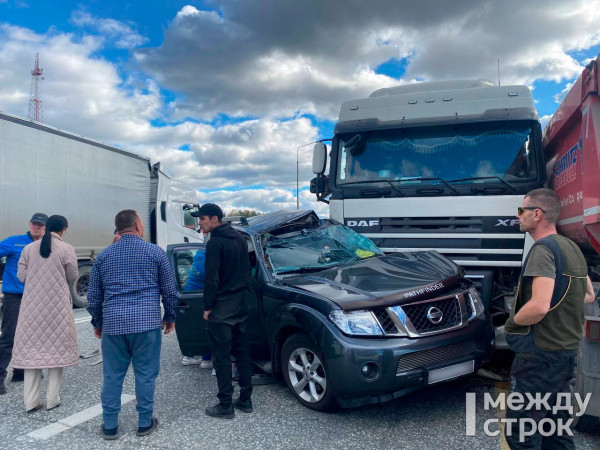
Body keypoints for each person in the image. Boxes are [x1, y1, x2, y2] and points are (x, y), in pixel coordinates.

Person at [504, 188, 595, 449]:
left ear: (537, 214)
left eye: (521, 210)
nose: (517, 216)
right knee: (556, 430)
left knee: (522, 432)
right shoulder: (571, 247)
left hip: (539, 358)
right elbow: (588, 294)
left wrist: (511, 323)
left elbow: (539, 306)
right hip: (565, 355)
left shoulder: (543, 250)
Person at [87, 210, 176, 440]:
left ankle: (109, 426)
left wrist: (98, 322)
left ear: (118, 228)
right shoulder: (155, 252)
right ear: (137, 225)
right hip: (146, 324)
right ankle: (144, 423)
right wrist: (170, 317)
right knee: (145, 375)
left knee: (112, 376)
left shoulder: (104, 257)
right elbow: (169, 290)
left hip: (114, 325)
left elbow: (94, 297)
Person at [11, 215, 79, 412]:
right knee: (56, 352)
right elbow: (73, 275)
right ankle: (52, 399)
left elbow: (21, 277)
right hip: (57, 308)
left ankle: (31, 402)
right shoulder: (67, 249)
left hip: (31, 308)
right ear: (64, 230)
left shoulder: (28, 249)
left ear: (46, 227)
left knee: (32, 353)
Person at [191, 203, 252, 419]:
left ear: (215, 219)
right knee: (243, 352)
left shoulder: (215, 242)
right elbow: (246, 270)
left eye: (203, 219)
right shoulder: (239, 238)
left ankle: (225, 405)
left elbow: (212, 278)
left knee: (222, 356)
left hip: (223, 305)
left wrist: (207, 307)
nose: (200, 223)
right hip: (242, 303)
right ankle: (246, 399)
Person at [0, 212, 47, 395]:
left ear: (46, 228)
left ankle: (20, 371)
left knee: (31, 336)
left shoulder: (46, 245)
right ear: (29, 224)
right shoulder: (14, 241)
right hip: (15, 296)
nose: (37, 227)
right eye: (35, 224)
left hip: (36, 297)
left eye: (41, 225)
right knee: (9, 337)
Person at [181, 249, 212, 369]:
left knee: (192, 326)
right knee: (205, 327)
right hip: (200, 294)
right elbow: (210, 277)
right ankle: (206, 359)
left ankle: (189, 355)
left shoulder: (199, 255)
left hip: (189, 292)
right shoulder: (206, 257)